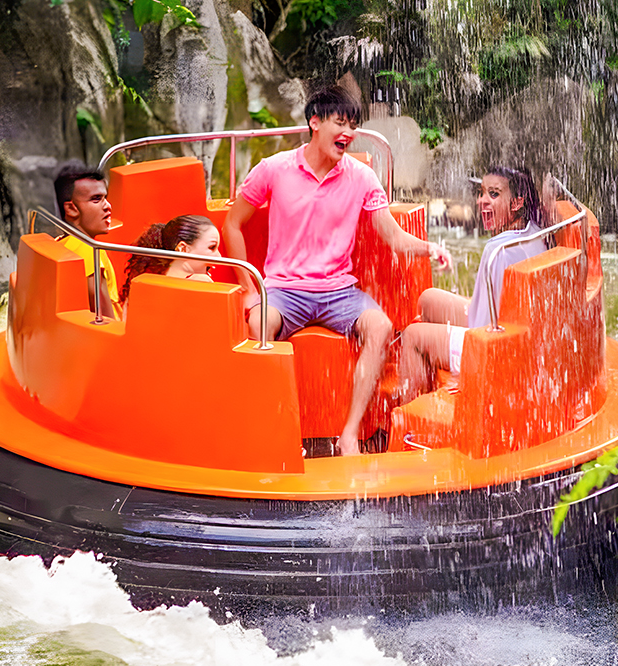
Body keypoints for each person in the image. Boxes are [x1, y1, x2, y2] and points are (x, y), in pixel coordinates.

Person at [223, 85, 452, 456]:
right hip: (283, 288)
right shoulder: (274, 168)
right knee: (259, 323)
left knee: (380, 326)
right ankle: (278, 430)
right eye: (339, 122)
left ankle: (349, 434)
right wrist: (248, 286)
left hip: (338, 292)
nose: (347, 132)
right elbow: (232, 224)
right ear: (315, 122)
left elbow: (393, 237)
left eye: (353, 125)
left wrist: (431, 248)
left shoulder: (361, 177)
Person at [399, 166, 546, 398]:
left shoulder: (498, 251)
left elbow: (481, 330)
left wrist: (465, 375)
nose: (482, 201)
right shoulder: (534, 231)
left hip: (494, 350)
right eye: (482, 192)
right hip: (513, 334)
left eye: (494, 194)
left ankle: (413, 425)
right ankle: (425, 384)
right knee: (428, 299)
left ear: (517, 203)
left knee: (412, 335)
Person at [54, 163, 119, 317]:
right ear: (71, 209)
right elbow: (105, 318)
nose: (108, 206)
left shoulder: (65, 242)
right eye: (96, 199)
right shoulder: (89, 251)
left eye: (105, 198)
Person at [120, 214, 222, 303]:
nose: (219, 256)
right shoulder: (201, 283)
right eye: (212, 247)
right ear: (183, 248)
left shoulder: (147, 280)